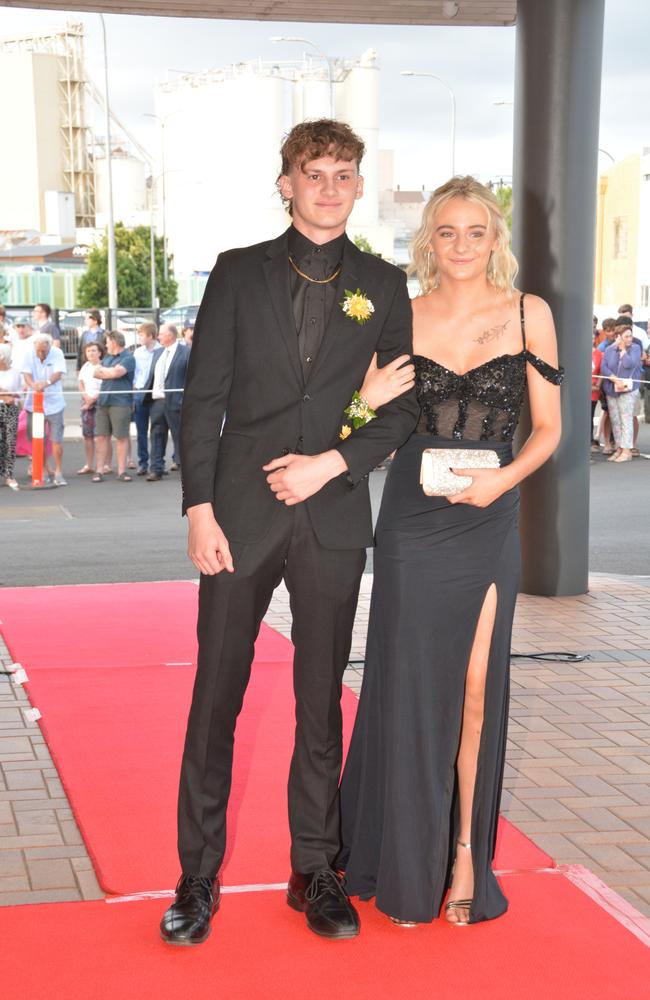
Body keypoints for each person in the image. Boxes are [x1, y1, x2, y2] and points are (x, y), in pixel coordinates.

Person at [159, 118, 418, 947]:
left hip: (333, 515)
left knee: (319, 703)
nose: (331, 187)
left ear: (358, 185)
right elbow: (203, 401)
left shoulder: (381, 284)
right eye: (316, 173)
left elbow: (401, 406)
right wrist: (199, 507)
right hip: (238, 512)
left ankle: (316, 871)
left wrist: (331, 463)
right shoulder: (238, 273)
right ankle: (196, 879)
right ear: (287, 183)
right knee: (215, 700)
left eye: (345, 174)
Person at [340, 176, 563, 928]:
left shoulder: (530, 315)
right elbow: (362, 424)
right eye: (447, 232)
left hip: (489, 515)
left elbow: (551, 431)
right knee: (407, 687)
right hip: (411, 519)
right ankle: (406, 862)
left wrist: (502, 483)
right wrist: (362, 399)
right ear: (427, 241)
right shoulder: (400, 316)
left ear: (496, 239)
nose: (462, 245)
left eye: (476, 231)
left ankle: (466, 851)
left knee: (473, 687)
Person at [143, 323, 189, 482]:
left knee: (180, 437)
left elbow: (192, 378)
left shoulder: (185, 353)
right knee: (156, 435)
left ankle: (186, 469)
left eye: (161, 334)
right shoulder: (158, 353)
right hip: (157, 402)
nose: (158, 337)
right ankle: (156, 469)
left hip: (176, 402)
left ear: (170, 335)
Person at [22, 332, 67, 485]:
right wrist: (33, 385)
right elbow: (26, 375)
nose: (41, 353)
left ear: (49, 347)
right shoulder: (28, 354)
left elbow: (58, 373)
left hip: (54, 403)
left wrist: (45, 383)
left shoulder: (57, 352)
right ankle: (44, 469)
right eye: (38, 350)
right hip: (33, 403)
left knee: (56, 440)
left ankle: (59, 471)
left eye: (44, 350)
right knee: (37, 439)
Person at [92, 331, 136, 482]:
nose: (105, 345)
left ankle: (122, 471)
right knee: (102, 437)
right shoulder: (107, 358)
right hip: (103, 401)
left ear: (115, 342)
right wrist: (109, 372)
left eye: (108, 342)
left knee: (121, 437)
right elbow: (96, 373)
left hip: (121, 402)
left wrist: (108, 372)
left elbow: (117, 373)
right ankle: (99, 470)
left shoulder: (129, 358)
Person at [600, 325, 642, 463]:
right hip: (612, 388)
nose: (629, 339)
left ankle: (627, 450)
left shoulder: (635, 348)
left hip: (628, 389)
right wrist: (614, 378)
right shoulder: (609, 349)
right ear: (618, 337)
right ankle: (619, 448)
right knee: (615, 420)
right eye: (626, 336)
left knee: (626, 419)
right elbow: (604, 367)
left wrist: (623, 350)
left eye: (630, 336)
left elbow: (629, 364)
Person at [132, 322, 158, 476]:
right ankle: (143, 463)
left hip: (155, 393)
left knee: (157, 430)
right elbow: (135, 373)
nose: (139, 337)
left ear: (150, 336)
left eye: (142, 334)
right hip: (140, 392)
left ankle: (156, 463)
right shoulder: (138, 352)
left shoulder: (161, 351)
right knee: (141, 431)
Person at [77, 341, 104, 474]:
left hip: (100, 404)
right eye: (88, 351)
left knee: (101, 436)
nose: (91, 353)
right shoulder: (85, 366)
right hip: (86, 404)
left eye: (93, 350)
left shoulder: (103, 366)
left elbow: (105, 386)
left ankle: (104, 465)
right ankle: (89, 465)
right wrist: (86, 397)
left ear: (99, 352)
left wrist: (92, 400)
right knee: (87, 436)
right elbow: (81, 383)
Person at [0, 343, 21, 490]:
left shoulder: (15, 372)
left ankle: (8, 475)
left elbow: (19, 393)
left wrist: (10, 396)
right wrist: (4, 393)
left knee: (9, 442)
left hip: (10, 408)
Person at [591, 331, 602, 451]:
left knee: (591, 416)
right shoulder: (580, 352)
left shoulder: (599, 354)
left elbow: (602, 371)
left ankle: (590, 440)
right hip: (582, 391)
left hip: (594, 391)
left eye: (593, 337)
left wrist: (598, 384)